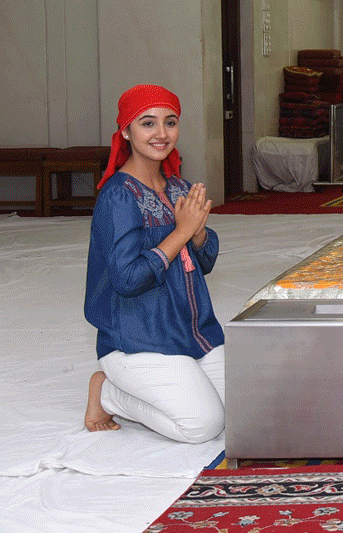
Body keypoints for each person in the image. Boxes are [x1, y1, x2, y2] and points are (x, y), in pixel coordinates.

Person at [82, 84, 225, 443]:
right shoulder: (118, 197)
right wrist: (180, 233)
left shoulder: (179, 186)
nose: (162, 134)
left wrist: (197, 235)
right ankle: (108, 394)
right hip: (137, 337)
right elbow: (127, 279)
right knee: (203, 426)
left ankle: (181, 374)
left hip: (190, 331)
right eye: (148, 123)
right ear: (126, 131)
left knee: (246, 410)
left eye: (170, 122)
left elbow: (204, 261)